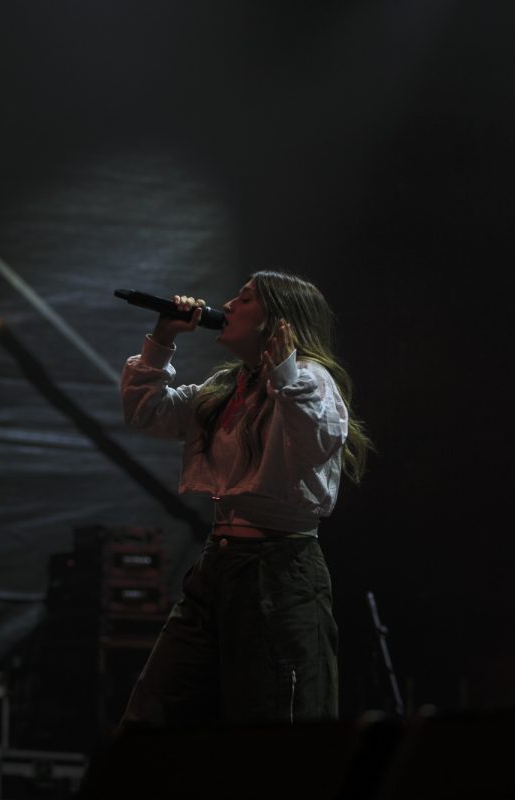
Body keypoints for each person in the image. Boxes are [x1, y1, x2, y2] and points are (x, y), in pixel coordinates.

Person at [117, 270, 372, 728]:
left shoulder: (310, 379)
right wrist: (162, 338)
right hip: (219, 564)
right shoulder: (227, 388)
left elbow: (316, 442)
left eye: (246, 298)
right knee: (154, 712)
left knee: (273, 720)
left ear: (279, 319)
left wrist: (284, 375)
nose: (229, 305)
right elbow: (147, 412)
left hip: (279, 568)